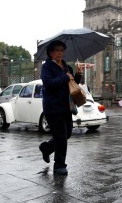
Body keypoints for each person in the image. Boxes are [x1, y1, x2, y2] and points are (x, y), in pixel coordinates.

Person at [38, 40, 83, 175]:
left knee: (67, 133)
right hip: (53, 107)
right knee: (61, 137)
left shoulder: (66, 67)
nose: (60, 53)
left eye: (62, 50)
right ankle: (59, 165)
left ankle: (46, 148)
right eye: (57, 50)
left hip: (66, 106)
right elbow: (48, 84)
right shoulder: (47, 67)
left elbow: (72, 83)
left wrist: (78, 74)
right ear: (51, 52)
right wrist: (64, 77)